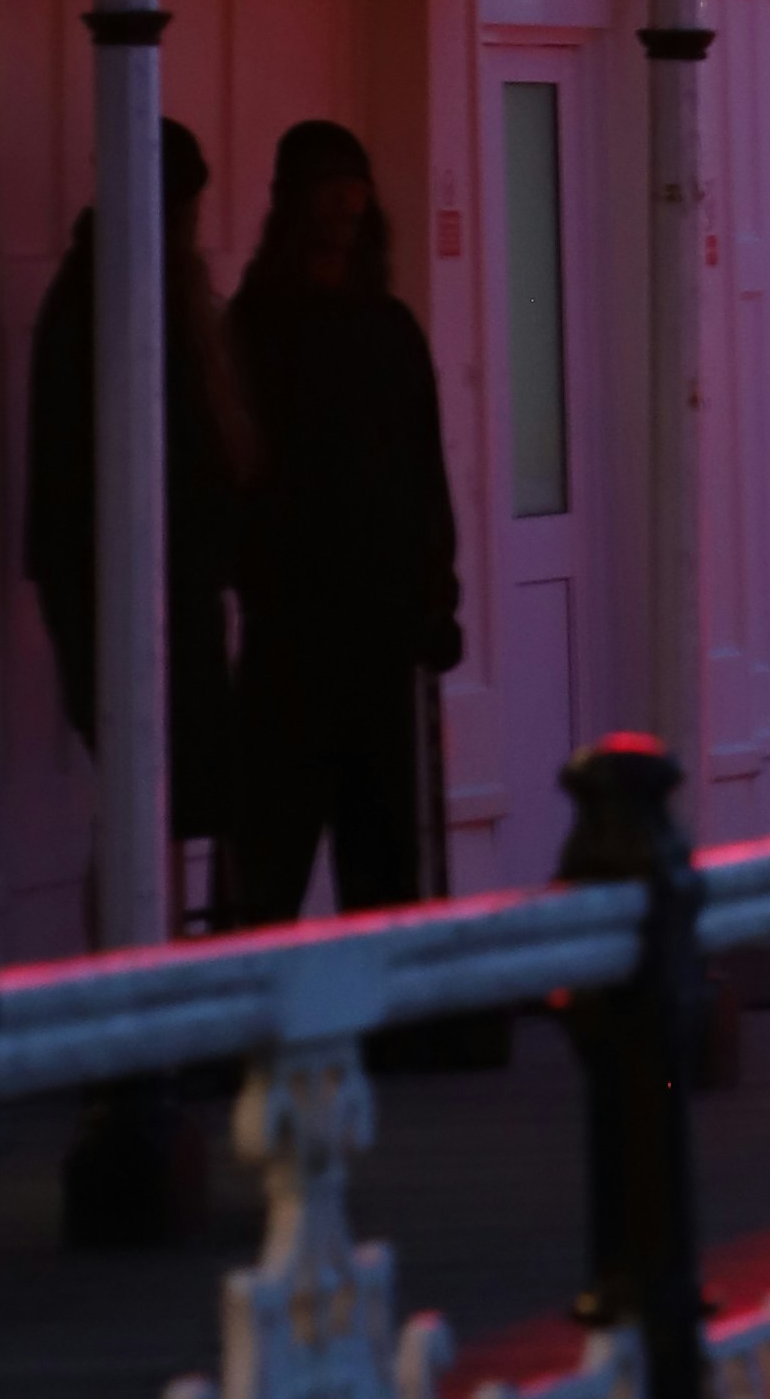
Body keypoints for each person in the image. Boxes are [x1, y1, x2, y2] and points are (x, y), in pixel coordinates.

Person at [226, 123, 465, 922]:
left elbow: (423, 472)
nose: (343, 205)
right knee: (276, 847)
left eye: (352, 186)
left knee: (384, 847)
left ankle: (392, 1018)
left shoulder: (385, 329)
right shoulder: (259, 329)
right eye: (328, 188)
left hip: (379, 624)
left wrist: (438, 590)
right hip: (296, 627)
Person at [24, 119, 254, 891]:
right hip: (130, 582)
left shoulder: (121, 292)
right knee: (153, 795)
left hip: (150, 579)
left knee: (167, 793)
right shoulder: (118, 298)